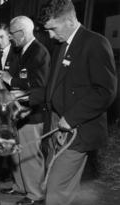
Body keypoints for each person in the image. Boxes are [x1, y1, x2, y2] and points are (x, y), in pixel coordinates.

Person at [38, 0, 117, 205]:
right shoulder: (60, 45)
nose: (50, 35)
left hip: (76, 129)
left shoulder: (95, 43)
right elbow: (53, 87)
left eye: (53, 29)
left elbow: (105, 92)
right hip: (56, 125)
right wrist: (24, 99)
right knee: (59, 185)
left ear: (70, 21)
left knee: (56, 189)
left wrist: (71, 118)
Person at [0, 16, 51, 205]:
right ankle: (20, 186)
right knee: (17, 152)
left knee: (29, 153)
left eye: (12, 34)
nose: (10, 38)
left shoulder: (39, 52)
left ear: (21, 32)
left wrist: (11, 80)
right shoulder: (22, 51)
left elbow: (39, 85)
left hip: (32, 113)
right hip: (19, 111)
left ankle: (35, 194)